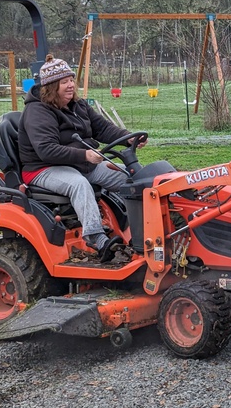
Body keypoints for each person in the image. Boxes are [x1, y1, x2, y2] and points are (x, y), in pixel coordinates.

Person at [18, 54, 143, 261]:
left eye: (71, 80)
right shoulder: (37, 111)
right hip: (43, 168)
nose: (70, 85)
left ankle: (141, 228)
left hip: (80, 163)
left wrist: (127, 138)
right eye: (64, 82)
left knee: (129, 177)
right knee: (79, 184)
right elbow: (46, 150)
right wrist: (84, 154)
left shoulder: (78, 105)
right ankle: (95, 237)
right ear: (51, 87)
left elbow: (101, 128)